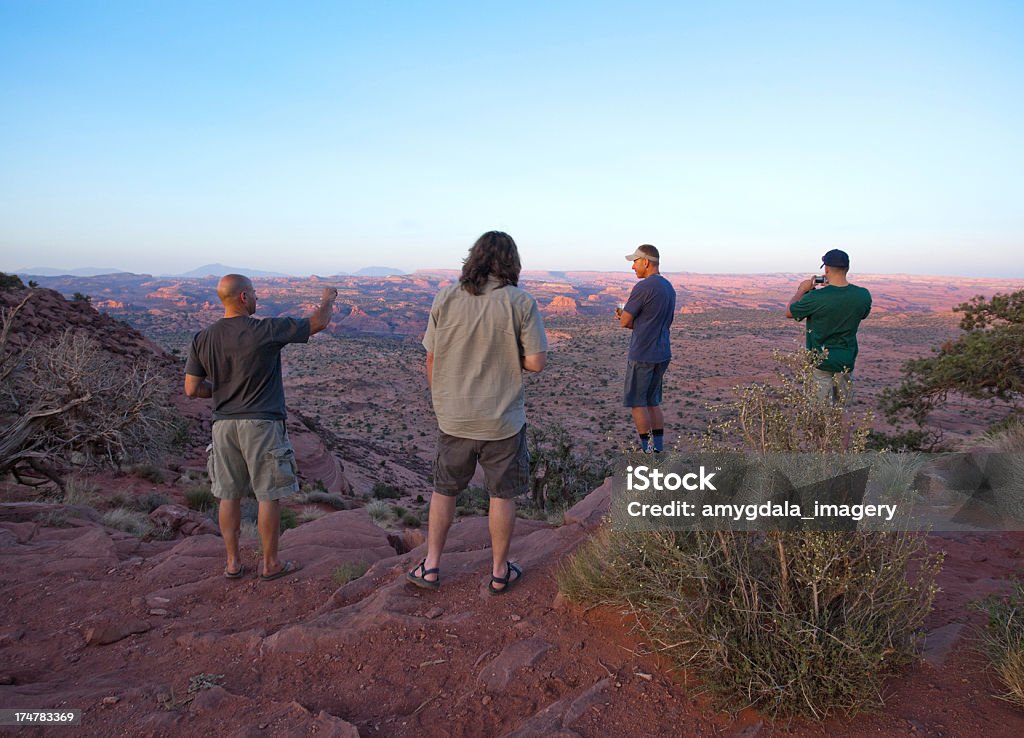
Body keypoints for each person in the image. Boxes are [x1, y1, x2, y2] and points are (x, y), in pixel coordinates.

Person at [407, 231, 548, 594]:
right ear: (511, 262)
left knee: (444, 491)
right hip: (501, 420)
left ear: (474, 258)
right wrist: (505, 352)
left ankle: (432, 566)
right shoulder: (520, 301)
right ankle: (500, 572)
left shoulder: (446, 297)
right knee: (501, 496)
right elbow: (536, 362)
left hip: (454, 416)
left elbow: (432, 357)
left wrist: (441, 401)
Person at [184, 274, 338, 581]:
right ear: (243, 297)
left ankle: (232, 563)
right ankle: (270, 565)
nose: (257, 299)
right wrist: (328, 297)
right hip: (262, 425)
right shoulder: (264, 329)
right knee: (268, 495)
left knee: (228, 495)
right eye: (253, 293)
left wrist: (223, 390)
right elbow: (318, 322)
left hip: (223, 426)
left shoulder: (203, 337)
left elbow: (191, 389)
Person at [786, 249, 872, 406]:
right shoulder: (863, 295)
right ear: (847, 268)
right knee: (842, 410)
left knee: (819, 412)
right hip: (846, 360)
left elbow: (790, 312)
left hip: (820, 361)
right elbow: (863, 314)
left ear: (826, 269)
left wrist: (802, 290)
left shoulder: (816, 297)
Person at [616, 244, 675, 452]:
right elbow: (656, 321)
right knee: (653, 402)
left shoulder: (643, 287)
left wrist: (622, 315)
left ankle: (647, 453)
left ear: (646, 262)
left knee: (638, 403)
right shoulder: (668, 287)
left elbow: (625, 322)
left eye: (635, 261)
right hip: (662, 352)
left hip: (643, 354)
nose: (633, 266)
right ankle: (658, 450)